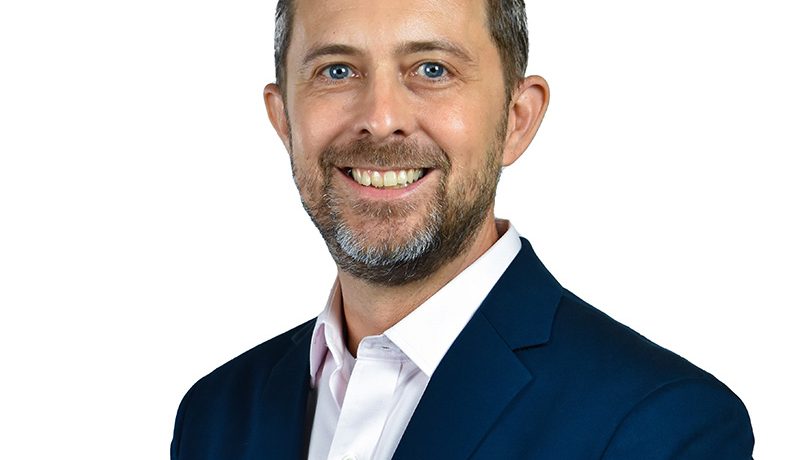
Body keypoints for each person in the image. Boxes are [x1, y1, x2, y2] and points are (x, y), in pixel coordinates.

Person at [170, 0, 754, 458]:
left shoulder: (663, 425)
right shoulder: (213, 415)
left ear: (516, 120)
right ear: (284, 120)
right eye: (337, 70)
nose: (381, 119)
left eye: (432, 69)